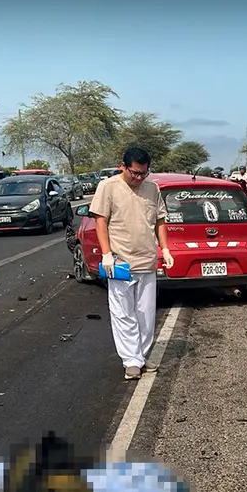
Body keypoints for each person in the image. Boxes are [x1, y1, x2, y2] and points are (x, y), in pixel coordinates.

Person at [90, 147, 174, 380]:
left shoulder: (152, 188)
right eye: (135, 173)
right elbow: (100, 221)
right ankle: (131, 360)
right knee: (123, 313)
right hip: (120, 263)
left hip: (147, 260)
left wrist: (165, 248)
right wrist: (106, 254)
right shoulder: (108, 187)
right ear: (123, 167)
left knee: (145, 315)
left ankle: (141, 356)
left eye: (143, 173)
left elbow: (160, 220)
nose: (138, 178)